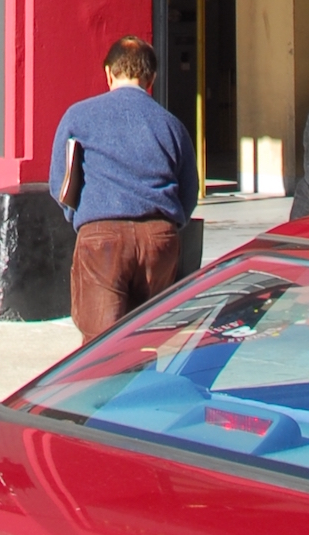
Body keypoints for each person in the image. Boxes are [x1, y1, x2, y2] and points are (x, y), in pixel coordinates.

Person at [49, 35, 198, 343]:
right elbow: (188, 193)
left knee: (101, 347)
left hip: (101, 237)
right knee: (147, 340)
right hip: (160, 238)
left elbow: (60, 184)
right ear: (151, 78)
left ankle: (103, 391)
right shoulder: (172, 125)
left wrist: (81, 217)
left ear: (108, 72)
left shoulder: (78, 116)